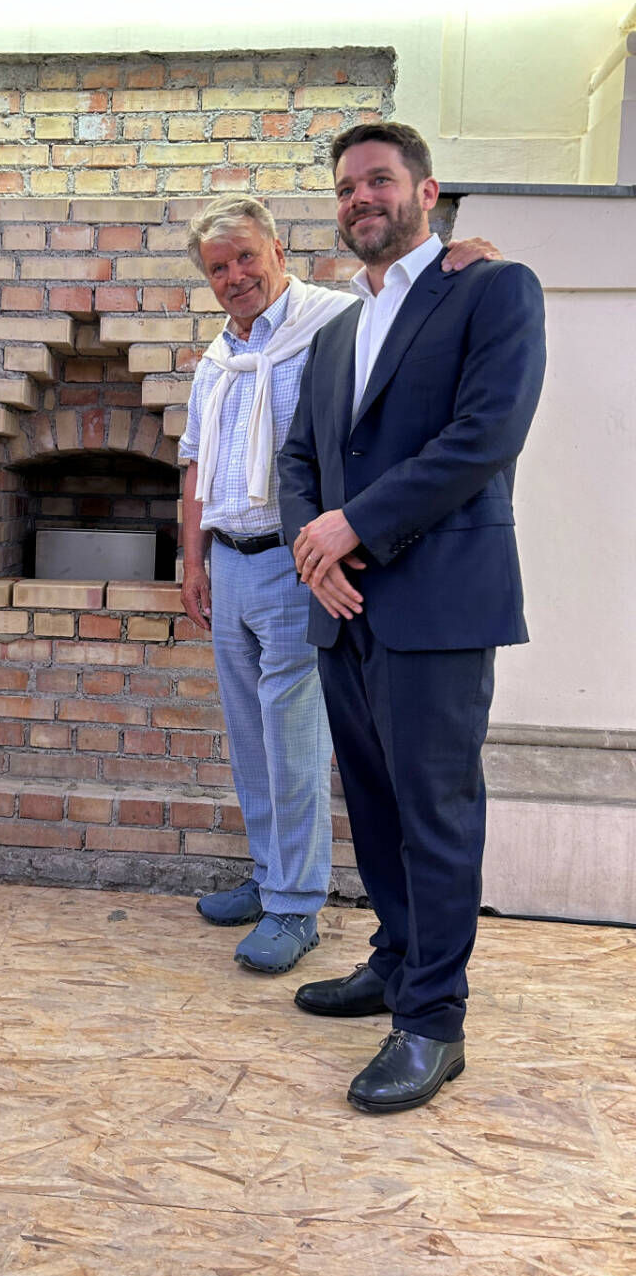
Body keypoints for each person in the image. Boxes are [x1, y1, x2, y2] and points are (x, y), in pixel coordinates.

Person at [278, 123, 546, 1112]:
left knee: (436, 813)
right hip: (343, 608)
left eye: (378, 180)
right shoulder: (338, 329)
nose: (360, 199)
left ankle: (433, 1021)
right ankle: (396, 959)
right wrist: (315, 548)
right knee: (378, 808)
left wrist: (353, 526)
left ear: (427, 193)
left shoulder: (493, 291)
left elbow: (485, 435)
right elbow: (301, 454)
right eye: (346, 187)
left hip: (437, 603)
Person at [180, 195, 497, 976]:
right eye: (219, 268)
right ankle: (268, 877)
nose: (236, 277)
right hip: (228, 558)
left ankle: (296, 908)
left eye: (247, 257)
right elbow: (193, 461)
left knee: (293, 741)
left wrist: (469, 255)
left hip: (303, 563)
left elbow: (412, 302)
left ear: (279, 249)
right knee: (251, 738)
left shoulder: (333, 319)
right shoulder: (216, 356)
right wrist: (192, 562)